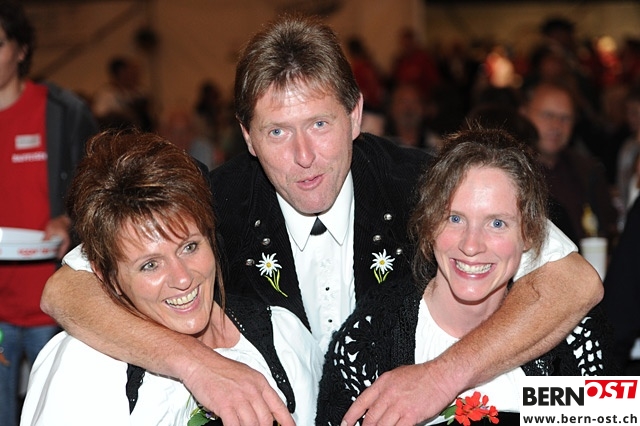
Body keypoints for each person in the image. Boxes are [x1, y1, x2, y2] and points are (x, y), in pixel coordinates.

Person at [42, 14, 603, 426]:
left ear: (356, 114)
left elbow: (576, 282)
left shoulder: (428, 186)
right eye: (277, 132)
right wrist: (195, 365)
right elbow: (66, 290)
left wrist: (444, 377)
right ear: (246, 136)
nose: (304, 157)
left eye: (320, 124)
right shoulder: (211, 205)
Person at [20, 131, 322, 425]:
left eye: (189, 247)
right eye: (150, 265)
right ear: (107, 276)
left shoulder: (282, 336)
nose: (182, 278)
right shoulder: (85, 369)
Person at [317, 127, 615, 425]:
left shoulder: (572, 332)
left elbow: (613, 411)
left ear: (530, 234)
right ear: (429, 223)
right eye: (455, 218)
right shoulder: (370, 341)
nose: (471, 246)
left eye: (497, 223)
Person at [0, 2, 98, 426]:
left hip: (54, 306)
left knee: (55, 416)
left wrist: (69, 221)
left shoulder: (62, 112)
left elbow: (100, 188)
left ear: (21, 50)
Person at [521, 80, 618, 247]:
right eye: (547, 115)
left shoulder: (588, 171)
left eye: (565, 118)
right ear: (524, 114)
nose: (557, 126)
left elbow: (607, 230)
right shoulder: (512, 172)